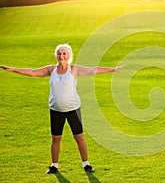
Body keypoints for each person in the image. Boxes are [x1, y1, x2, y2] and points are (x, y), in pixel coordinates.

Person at [0, 44, 125, 174]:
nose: (61, 56)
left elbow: (94, 70)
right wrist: (13, 69)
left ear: (69, 55)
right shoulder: (51, 69)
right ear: (56, 55)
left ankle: (86, 164)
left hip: (73, 109)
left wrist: (114, 69)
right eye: (59, 53)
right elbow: (32, 72)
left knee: (79, 137)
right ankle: (54, 166)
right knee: (56, 139)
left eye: (64, 53)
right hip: (56, 110)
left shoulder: (74, 70)